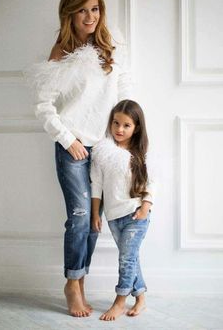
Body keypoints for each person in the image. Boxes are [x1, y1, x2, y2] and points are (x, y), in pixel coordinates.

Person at [25, 0, 132, 317]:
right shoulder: (61, 53)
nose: (90, 16)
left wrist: (123, 136)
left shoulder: (111, 45)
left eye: (95, 9)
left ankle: (80, 278)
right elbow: (43, 105)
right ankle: (74, 282)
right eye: (82, 9)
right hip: (72, 147)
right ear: (70, 14)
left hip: (105, 149)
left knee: (96, 221)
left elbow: (124, 91)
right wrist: (67, 139)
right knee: (80, 217)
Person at [90, 99, 155, 321]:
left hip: (136, 214)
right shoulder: (103, 152)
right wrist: (94, 213)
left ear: (136, 128)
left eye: (126, 125)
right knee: (131, 258)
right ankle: (141, 299)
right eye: (116, 123)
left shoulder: (141, 153)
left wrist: (145, 208)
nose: (119, 129)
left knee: (126, 259)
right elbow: (96, 184)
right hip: (113, 216)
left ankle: (119, 300)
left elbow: (151, 183)